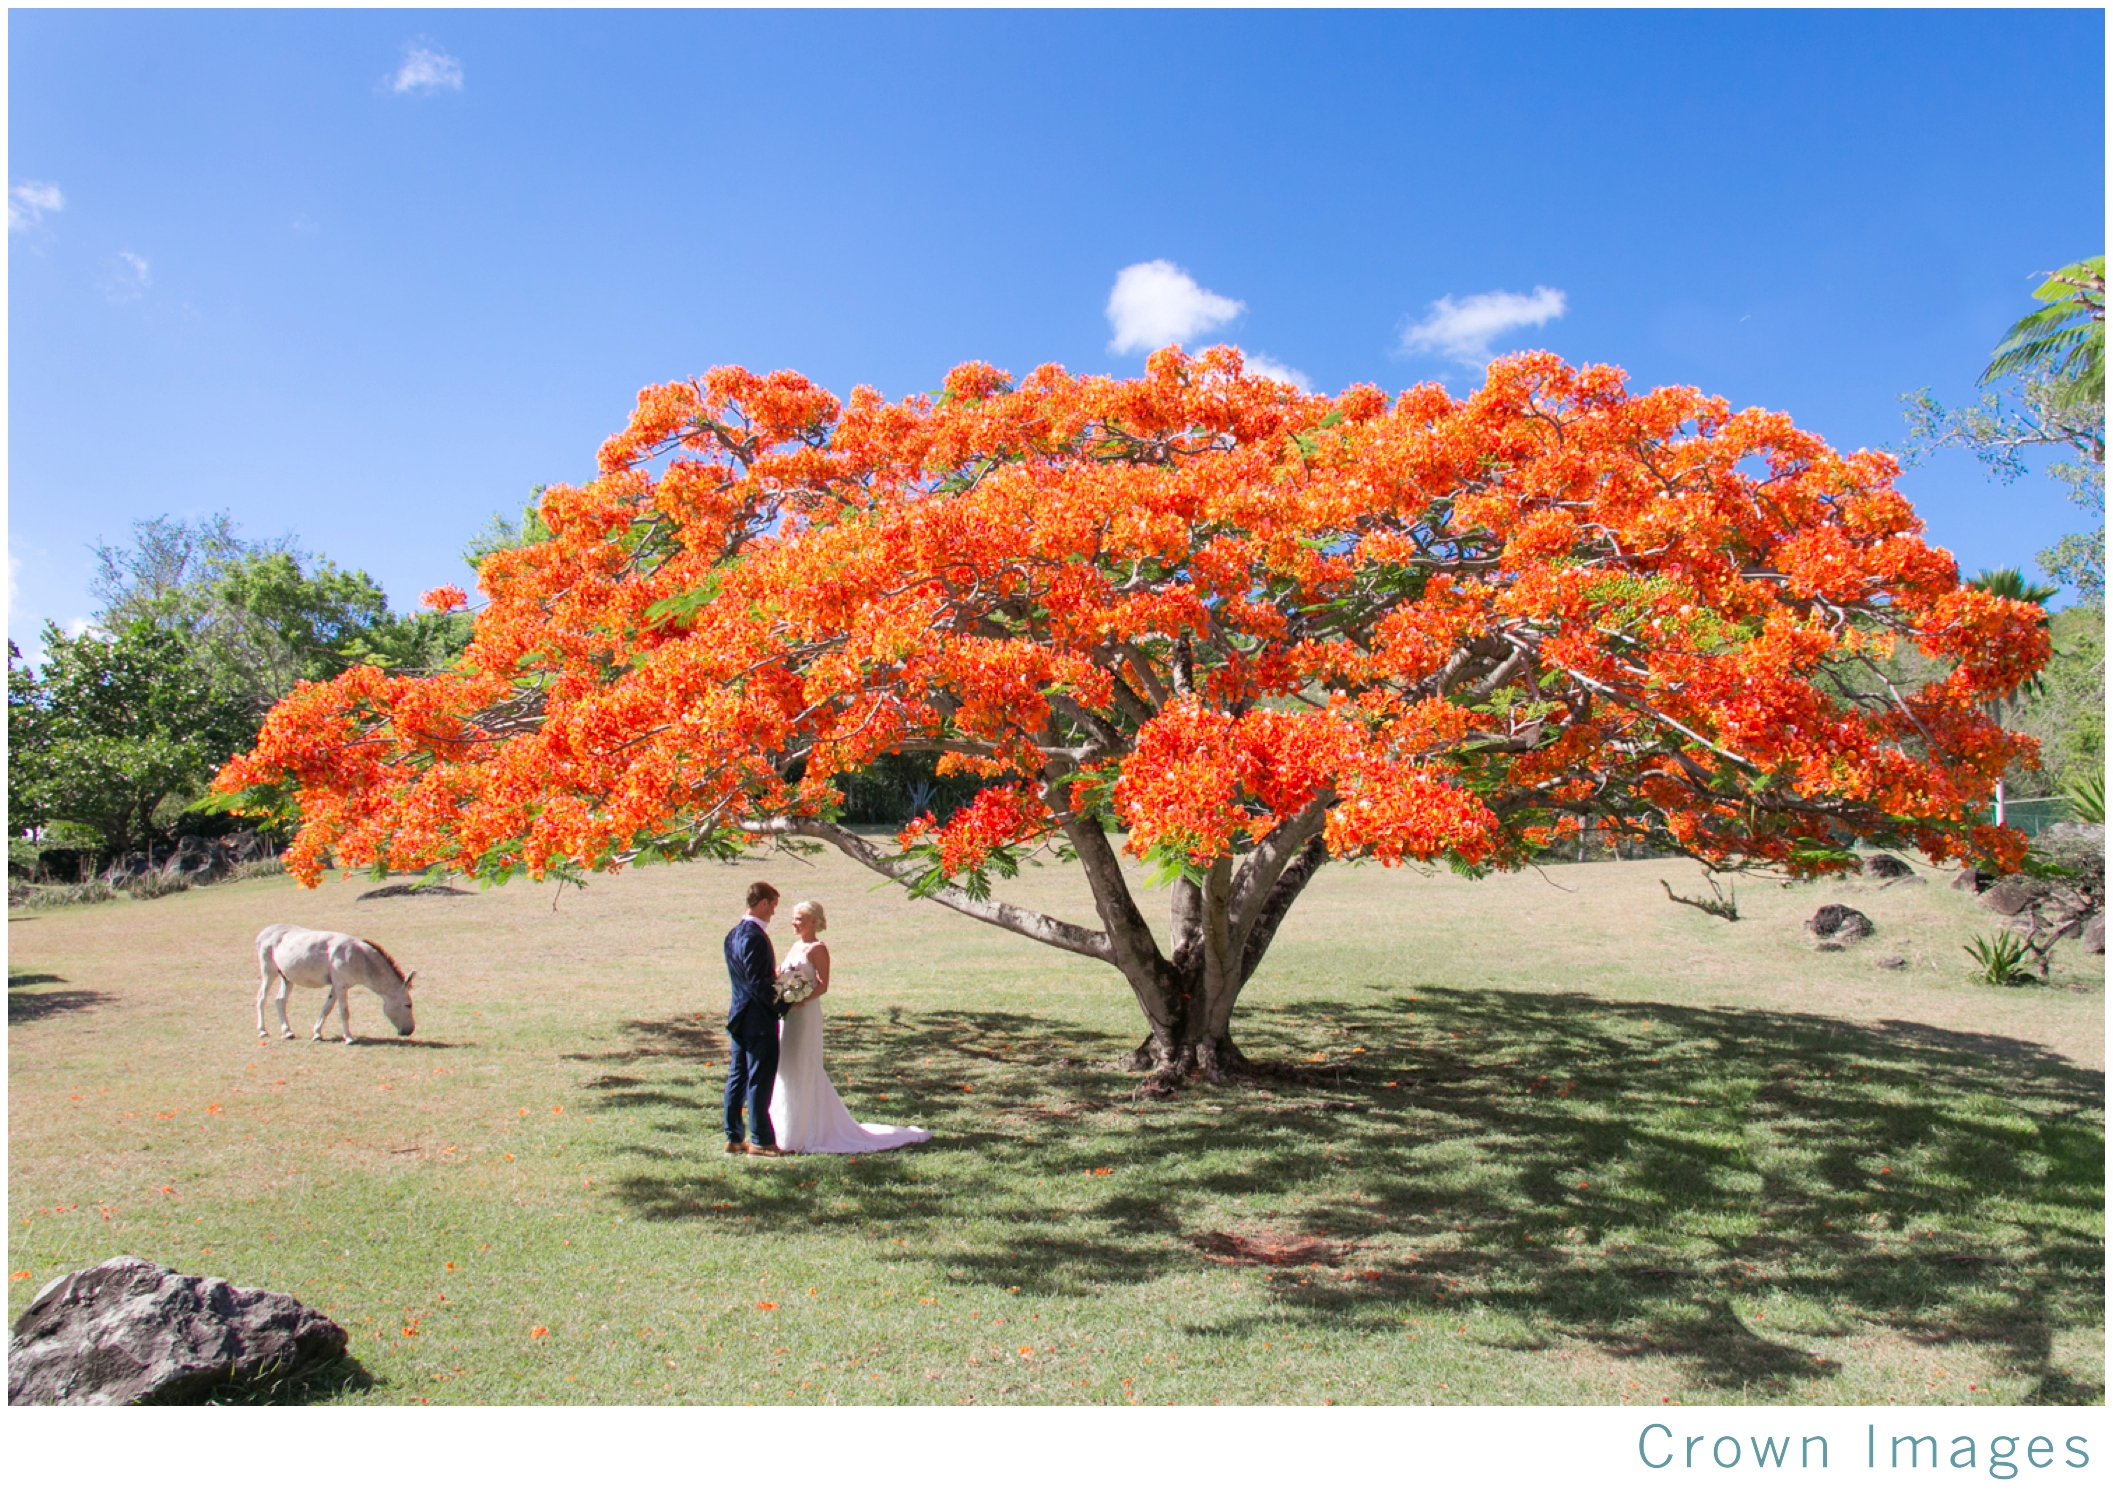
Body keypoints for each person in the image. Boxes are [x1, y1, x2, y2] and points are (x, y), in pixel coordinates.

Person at [767, 899, 933, 1155]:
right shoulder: (795, 946)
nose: (793, 922)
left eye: (798, 919)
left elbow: (823, 984)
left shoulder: (817, 948)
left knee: (804, 1064)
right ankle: (784, 1126)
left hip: (805, 1014)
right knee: (786, 1065)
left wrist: (801, 1000)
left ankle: (806, 1129)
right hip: (788, 1016)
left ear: (813, 921)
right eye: (793, 918)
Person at [723, 880, 783, 1157]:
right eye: (772, 906)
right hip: (757, 1018)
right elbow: (759, 983)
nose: (773, 913)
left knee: (737, 1076)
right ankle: (760, 1139)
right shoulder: (755, 937)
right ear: (763, 904)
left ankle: (734, 1136)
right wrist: (782, 1004)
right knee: (759, 1078)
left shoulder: (732, 934)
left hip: (738, 1015)